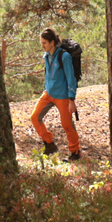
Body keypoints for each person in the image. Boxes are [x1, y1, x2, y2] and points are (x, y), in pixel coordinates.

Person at [30, 28, 81, 161]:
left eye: (44, 43)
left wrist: (71, 99)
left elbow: (71, 79)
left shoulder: (64, 56)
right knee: (35, 117)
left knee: (67, 125)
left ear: (52, 42)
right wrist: (46, 88)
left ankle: (75, 152)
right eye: (41, 43)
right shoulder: (47, 55)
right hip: (48, 94)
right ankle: (49, 144)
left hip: (63, 96)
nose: (42, 46)